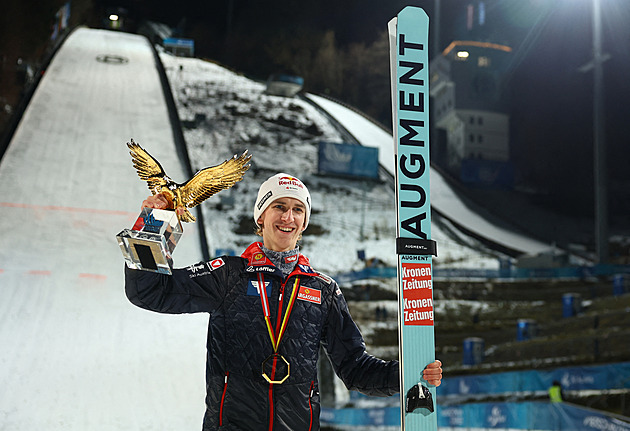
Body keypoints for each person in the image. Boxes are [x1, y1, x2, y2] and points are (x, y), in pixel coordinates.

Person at [125, 172, 443, 431]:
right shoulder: (228, 275)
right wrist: (153, 222)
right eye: (279, 206)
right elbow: (148, 290)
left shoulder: (323, 290)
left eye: (297, 209)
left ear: (304, 223)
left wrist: (410, 374)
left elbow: (355, 369)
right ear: (261, 217)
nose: (287, 216)